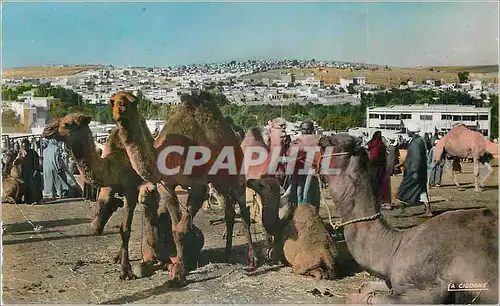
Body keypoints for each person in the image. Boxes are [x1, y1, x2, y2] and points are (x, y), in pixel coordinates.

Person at [395, 122, 433, 217]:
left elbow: (416, 158)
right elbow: (411, 157)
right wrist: (401, 164)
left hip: (414, 172)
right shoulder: (417, 140)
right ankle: (428, 210)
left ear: (411, 131)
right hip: (416, 171)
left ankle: (402, 209)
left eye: (408, 130)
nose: (407, 131)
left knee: (404, 190)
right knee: (421, 191)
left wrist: (415, 171)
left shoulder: (416, 142)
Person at [367, 131, 390, 208]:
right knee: (380, 185)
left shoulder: (371, 144)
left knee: (373, 184)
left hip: (372, 167)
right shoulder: (380, 145)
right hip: (380, 167)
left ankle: (372, 201)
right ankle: (379, 201)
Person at [19, 139, 42, 204]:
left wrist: (36, 170)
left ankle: (35, 200)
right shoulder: (22, 154)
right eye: (23, 146)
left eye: (25, 146)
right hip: (25, 173)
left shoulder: (33, 152)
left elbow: (36, 162)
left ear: (28, 146)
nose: (24, 147)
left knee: (33, 187)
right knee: (27, 187)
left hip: (32, 172)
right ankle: (28, 200)